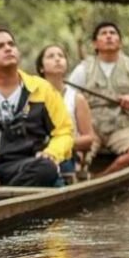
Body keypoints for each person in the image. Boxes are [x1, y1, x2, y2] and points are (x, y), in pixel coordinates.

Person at [0, 29, 73, 188]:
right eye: (0, 46)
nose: (8, 48)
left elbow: (64, 132)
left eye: (11, 44)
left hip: (26, 166)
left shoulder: (42, 89)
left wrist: (51, 153)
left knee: (46, 168)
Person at [67, 22, 129, 176]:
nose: (109, 36)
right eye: (103, 33)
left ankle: (102, 178)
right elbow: (67, 100)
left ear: (120, 42)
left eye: (113, 33)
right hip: (90, 128)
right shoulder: (83, 69)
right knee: (70, 149)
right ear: (95, 43)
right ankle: (78, 173)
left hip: (121, 128)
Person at [35, 44, 95, 177]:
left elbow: (89, 138)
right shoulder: (32, 96)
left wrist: (60, 144)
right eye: (51, 56)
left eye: (61, 56)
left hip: (66, 154)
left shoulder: (77, 98)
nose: (57, 59)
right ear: (41, 68)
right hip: (36, 152)